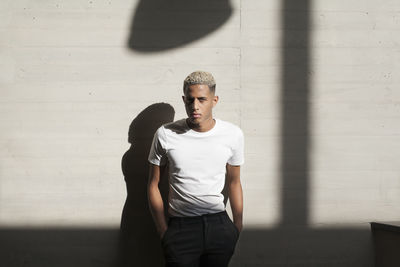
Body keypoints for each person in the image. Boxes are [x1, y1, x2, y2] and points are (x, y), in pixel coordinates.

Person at [147, 71, 244, 267]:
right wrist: (162, 230)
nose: (195, 106)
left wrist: (237, 226)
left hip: (219, 226)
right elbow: (153, 184)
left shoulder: (232, 134)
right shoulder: (165, 134)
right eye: (190, 100)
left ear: (214, 100)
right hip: (180, 228)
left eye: (202, 99)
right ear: (184, 99)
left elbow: (234, 182)